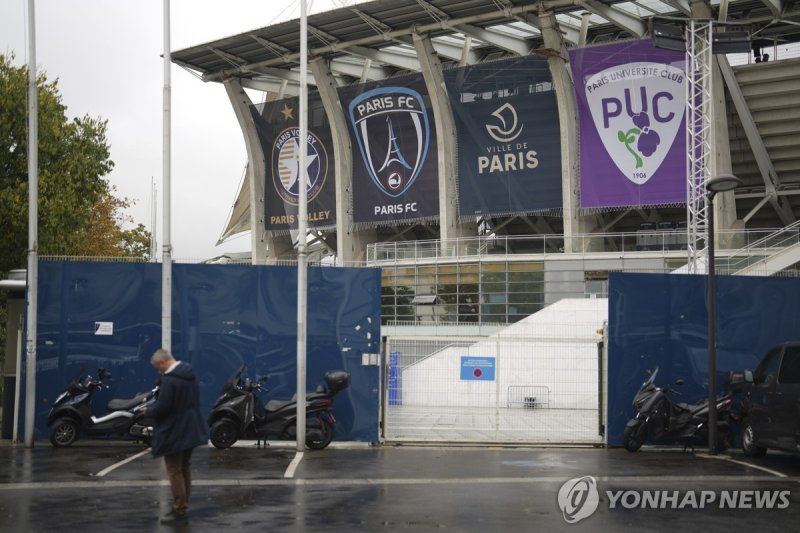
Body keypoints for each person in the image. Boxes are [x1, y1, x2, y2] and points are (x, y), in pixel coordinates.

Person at [144, 349, 208, 524]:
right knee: (185, 467)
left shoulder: (170, 381)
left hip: (174, 430)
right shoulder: (189, 373)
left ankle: (180, 509)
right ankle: (184, 503)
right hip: (192, 426)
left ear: (164, 362)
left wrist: (147, 411)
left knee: (174, 470)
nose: (159, 371)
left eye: (159, 367)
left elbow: (163, 407)